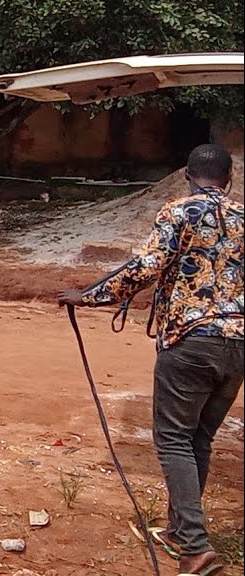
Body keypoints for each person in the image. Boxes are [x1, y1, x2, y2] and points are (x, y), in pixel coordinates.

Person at [58, 144, 242, 576]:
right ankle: (180, 531)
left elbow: (147, 266)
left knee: (174, 439)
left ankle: (195, 547)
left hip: (192, 342)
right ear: (229, 179)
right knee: (198, 438)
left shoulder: (177, 212)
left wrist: (90, 297)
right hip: (237, 343)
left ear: (187, 176)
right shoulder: (242, 216)